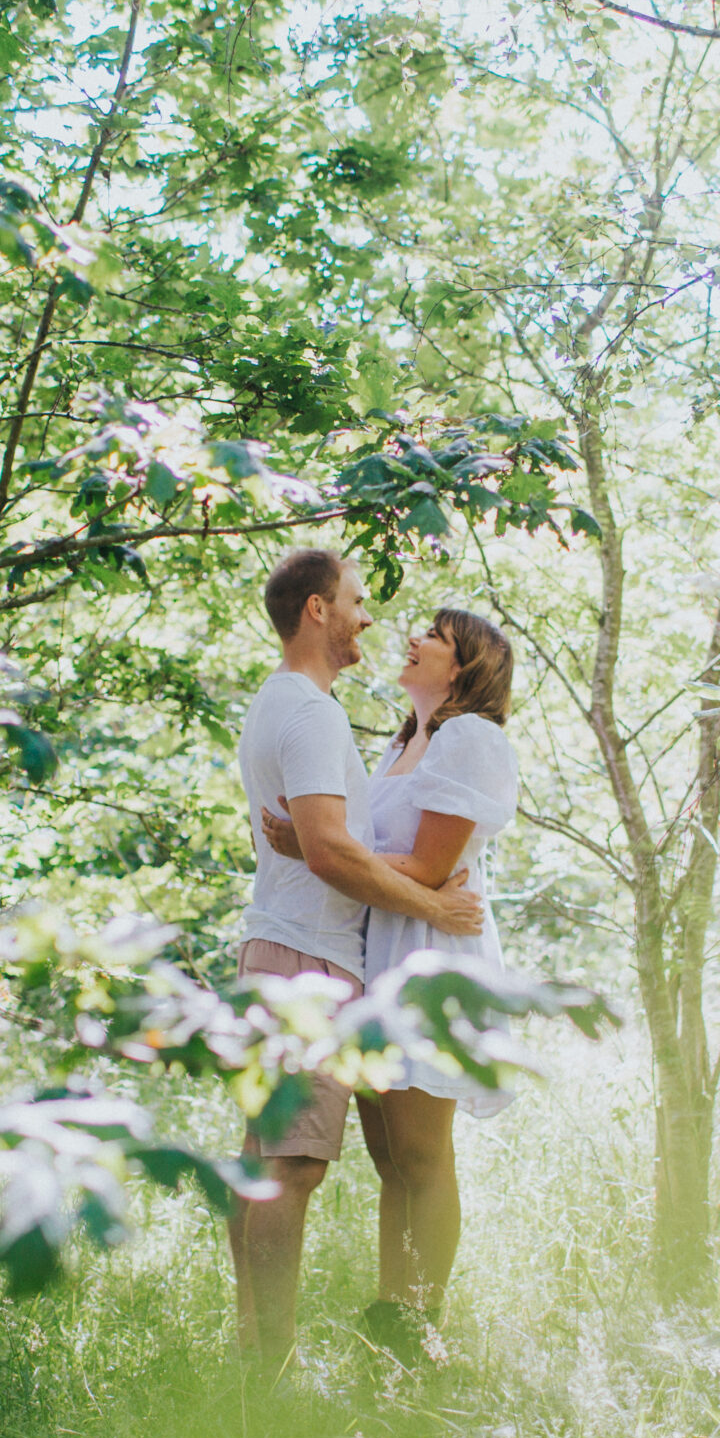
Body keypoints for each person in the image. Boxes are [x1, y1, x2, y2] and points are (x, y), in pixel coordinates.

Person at [230, 548, 483, 1379]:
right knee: (290, 1164)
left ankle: (268, 1357)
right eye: (357, 600)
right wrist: (438, 905)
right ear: (316, 610)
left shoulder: (299, 706)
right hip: (307, 957)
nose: (369, 617)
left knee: (279, 1159)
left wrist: (316, 843)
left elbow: (334, 844)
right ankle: (267, 1371)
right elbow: (339, 854)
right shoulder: (309, 712)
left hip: (310, 954)